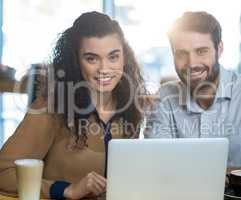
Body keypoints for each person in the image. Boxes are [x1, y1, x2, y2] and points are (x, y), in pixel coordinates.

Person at [0, 11, 147, 199]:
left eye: (113, 57)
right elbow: (3, 172)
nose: (104, 69)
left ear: (124, 58)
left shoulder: (130, 108)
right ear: (75, 61)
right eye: (91, 58)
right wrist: (65, 189)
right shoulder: (52, 107)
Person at [144, 11, 241, 192]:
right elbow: (155, 168)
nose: (192, 63)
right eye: (182, 53)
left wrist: (204, 177)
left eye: (201, 51)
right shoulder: (165, 98)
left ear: (219, 49)